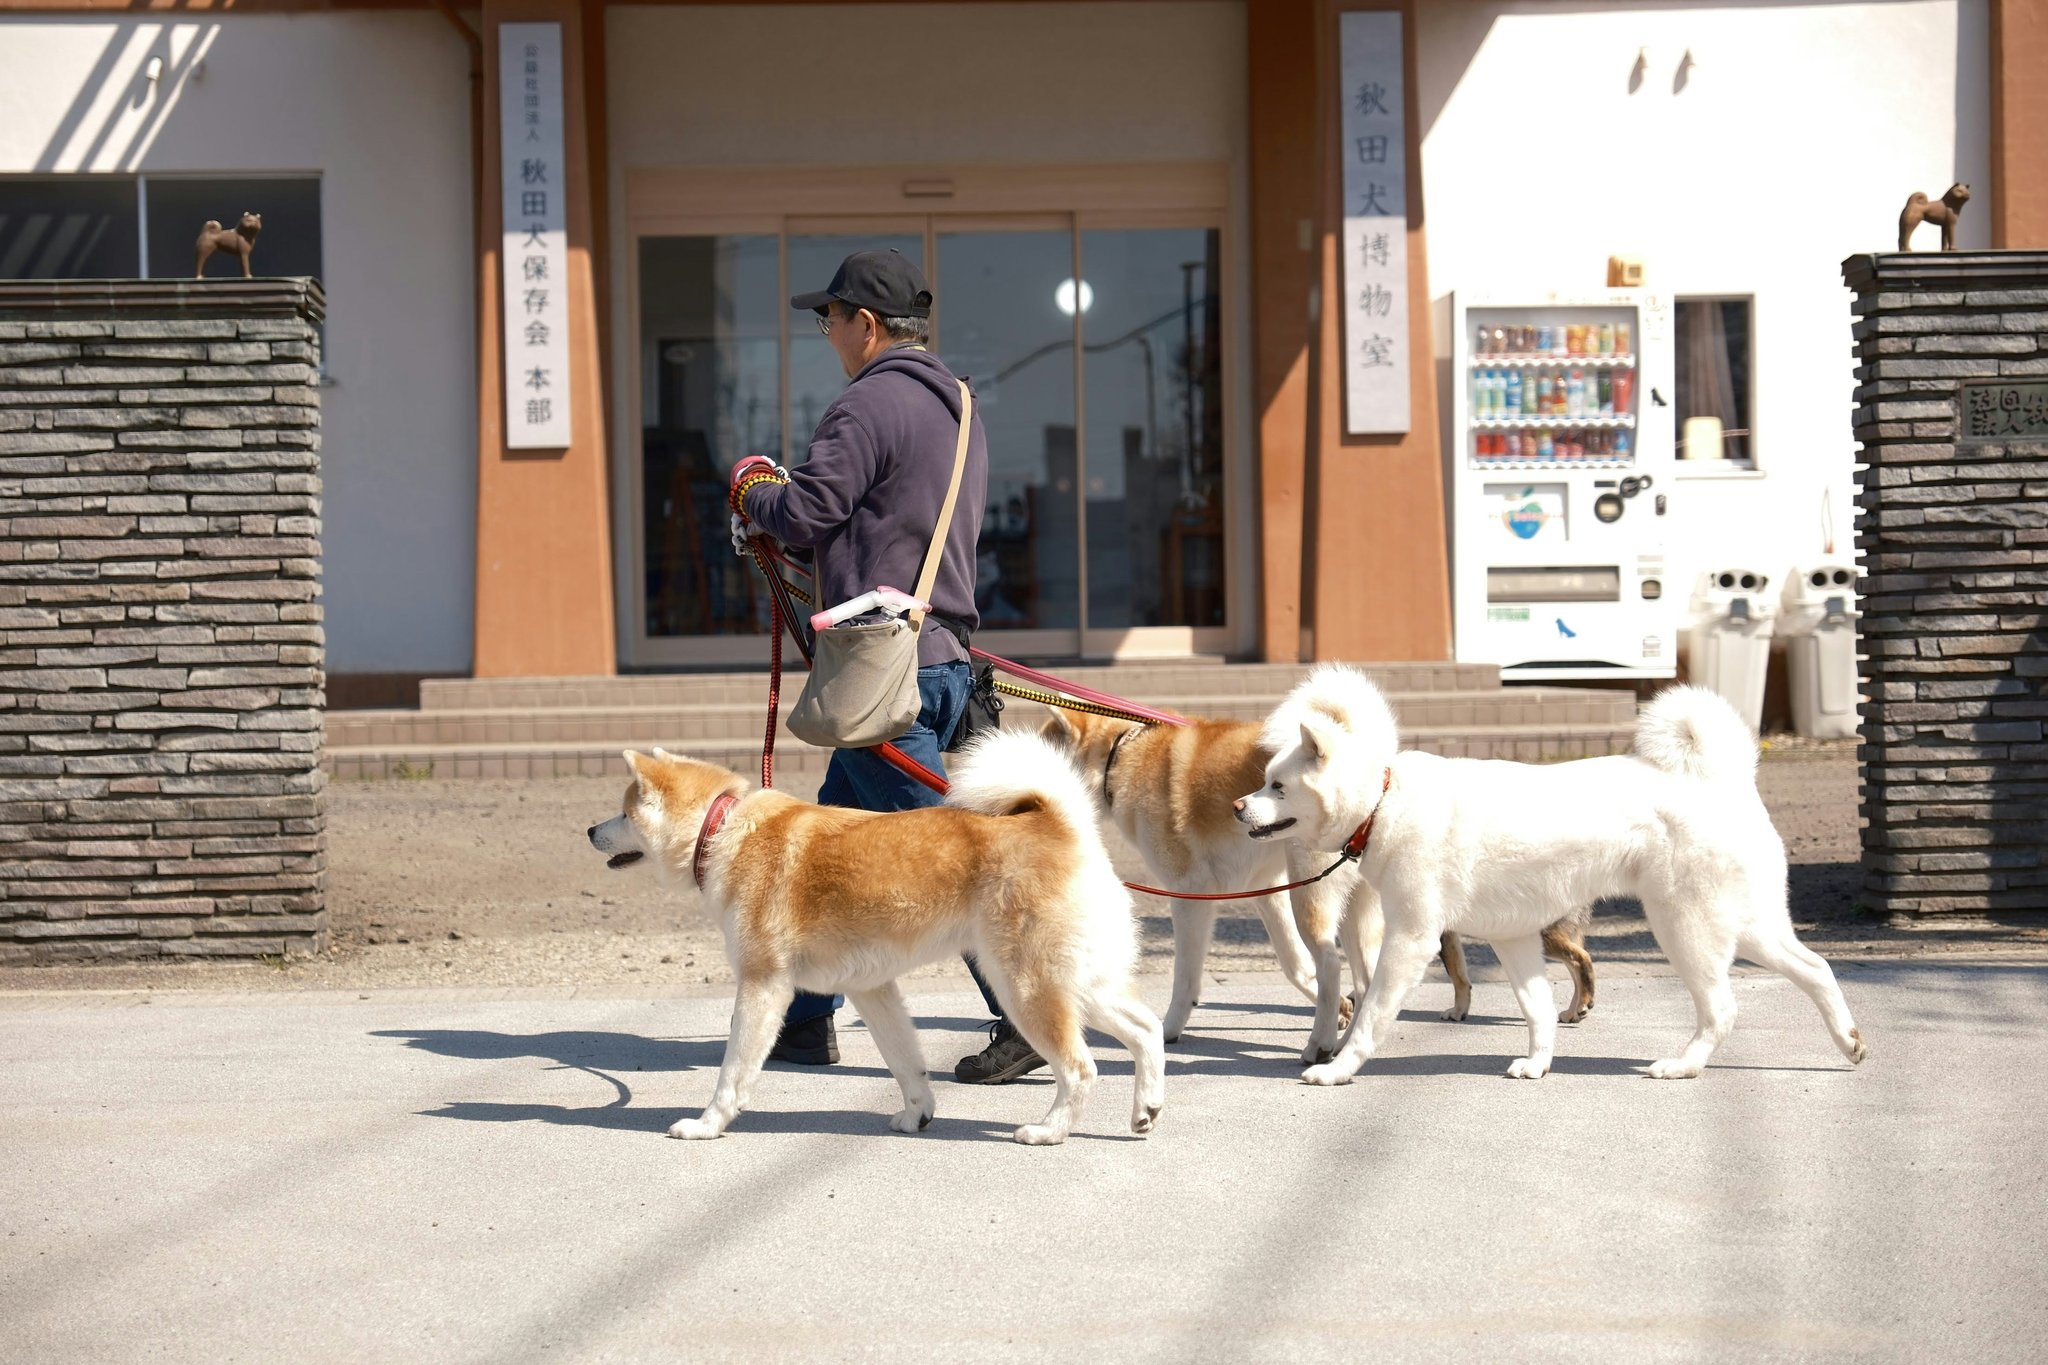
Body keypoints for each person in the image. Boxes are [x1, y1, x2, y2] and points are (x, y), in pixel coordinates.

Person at [728, 248, 1045, 1085]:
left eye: (828, 317)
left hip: (883, 672)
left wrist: (751, 490)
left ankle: (1024, 1018)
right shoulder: (962, 406)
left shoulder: (864, 406)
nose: (824, 331)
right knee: (836, 841)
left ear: (866, 326)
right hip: (943, 660)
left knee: (954, 858)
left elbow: (806, 512)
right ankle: (803, 1020)